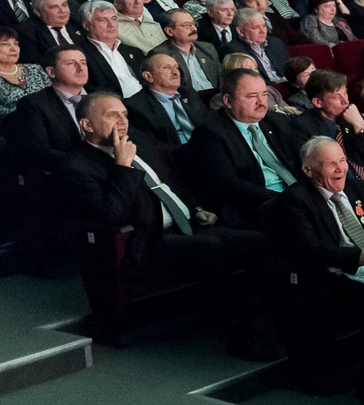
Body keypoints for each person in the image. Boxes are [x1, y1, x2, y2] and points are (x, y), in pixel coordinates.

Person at [58, 91, 277, 360]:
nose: (122, 121)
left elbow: (170, 183)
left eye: (124, 114)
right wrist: (122, 167)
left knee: (258, 241)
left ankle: (276, 319)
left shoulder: (138, 142)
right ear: (87, 125)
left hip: (187, 224)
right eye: (112, 115)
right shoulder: (77, 166)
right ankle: (239, 334)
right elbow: (111, 214)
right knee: (211, 248)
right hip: (148, 241)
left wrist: (196, 208)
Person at [263, 136, 364, 405]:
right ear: (309, 170)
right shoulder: (295, 200)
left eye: (342, 160)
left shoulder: (361, 189)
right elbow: (312, 249)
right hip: (333, 277)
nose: (341, 168)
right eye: (330, 164)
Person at [186, 67, 300, 227]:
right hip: (257, 206)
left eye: (264, 94)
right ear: (228, 101)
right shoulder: (209, 133)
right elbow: (229, 185)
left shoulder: (277, 121)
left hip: (297, 195)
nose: (261, 102)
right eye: (252, 96)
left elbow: (300, 157)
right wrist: (285, 199)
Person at [0, 24, 47, 120]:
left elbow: (54, 96)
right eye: (5, 44)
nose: (13, 48)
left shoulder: (35, 69)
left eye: (16, 44)